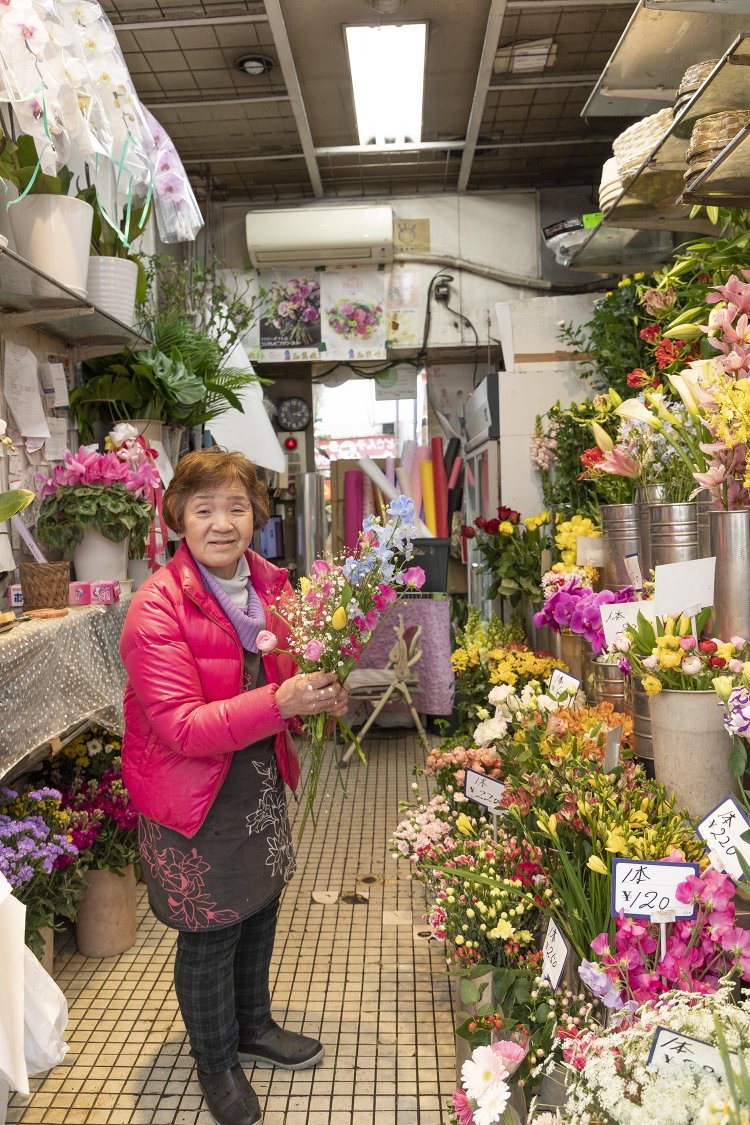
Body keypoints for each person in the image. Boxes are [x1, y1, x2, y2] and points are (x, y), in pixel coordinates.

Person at [120, 449, 349, 1125]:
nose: (222, 522)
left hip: (254, 783)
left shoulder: (272, 583)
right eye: (204, 507)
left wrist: (325, 694)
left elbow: (293, 671)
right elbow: (183, 728)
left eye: (237, 506)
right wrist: (283, 698)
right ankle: (215, 1061)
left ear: (257, 516)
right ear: (178, 519)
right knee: (210, 934)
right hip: (190, 802)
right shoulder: (153, 607)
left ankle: (254, 1024)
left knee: (260, 908)